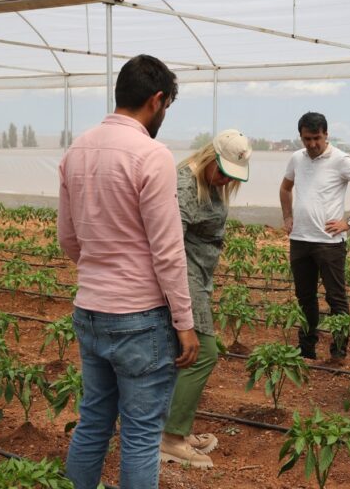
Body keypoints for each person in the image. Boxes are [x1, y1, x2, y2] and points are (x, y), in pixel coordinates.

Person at [58, 54, 199, 489]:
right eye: (167, 107)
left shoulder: (76, 149)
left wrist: (101, 270)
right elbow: (168, 252)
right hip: (139, 320)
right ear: (156, 100)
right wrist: (185, 323)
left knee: (94, 420)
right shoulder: (152, 155)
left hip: (90, 311)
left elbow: (68, 239)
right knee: (140, 436)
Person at [160, 130, 251, 468]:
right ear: (210, 157)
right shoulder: (185, 186)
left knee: (182, 355)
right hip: (184, 281)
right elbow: (169, 244)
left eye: (233, 175)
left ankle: (176, 430)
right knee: (202, 353)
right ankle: (170, 438)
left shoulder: (209, 184)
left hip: (197, 279)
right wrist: (179, 298)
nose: (227, 179)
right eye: (223, 170)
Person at [279, 112, 350, 361]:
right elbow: (285, 187)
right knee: (305, 297)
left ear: (326, 135)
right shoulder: (296, 158)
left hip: (329, 243)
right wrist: (287, 216)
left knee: (336, 297)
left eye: (317, 138)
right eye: (307, 139)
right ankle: (306, 348)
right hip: (300, 240)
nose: (312, 144)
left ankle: (339, 350)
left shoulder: (341, 159)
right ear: (300, 136)